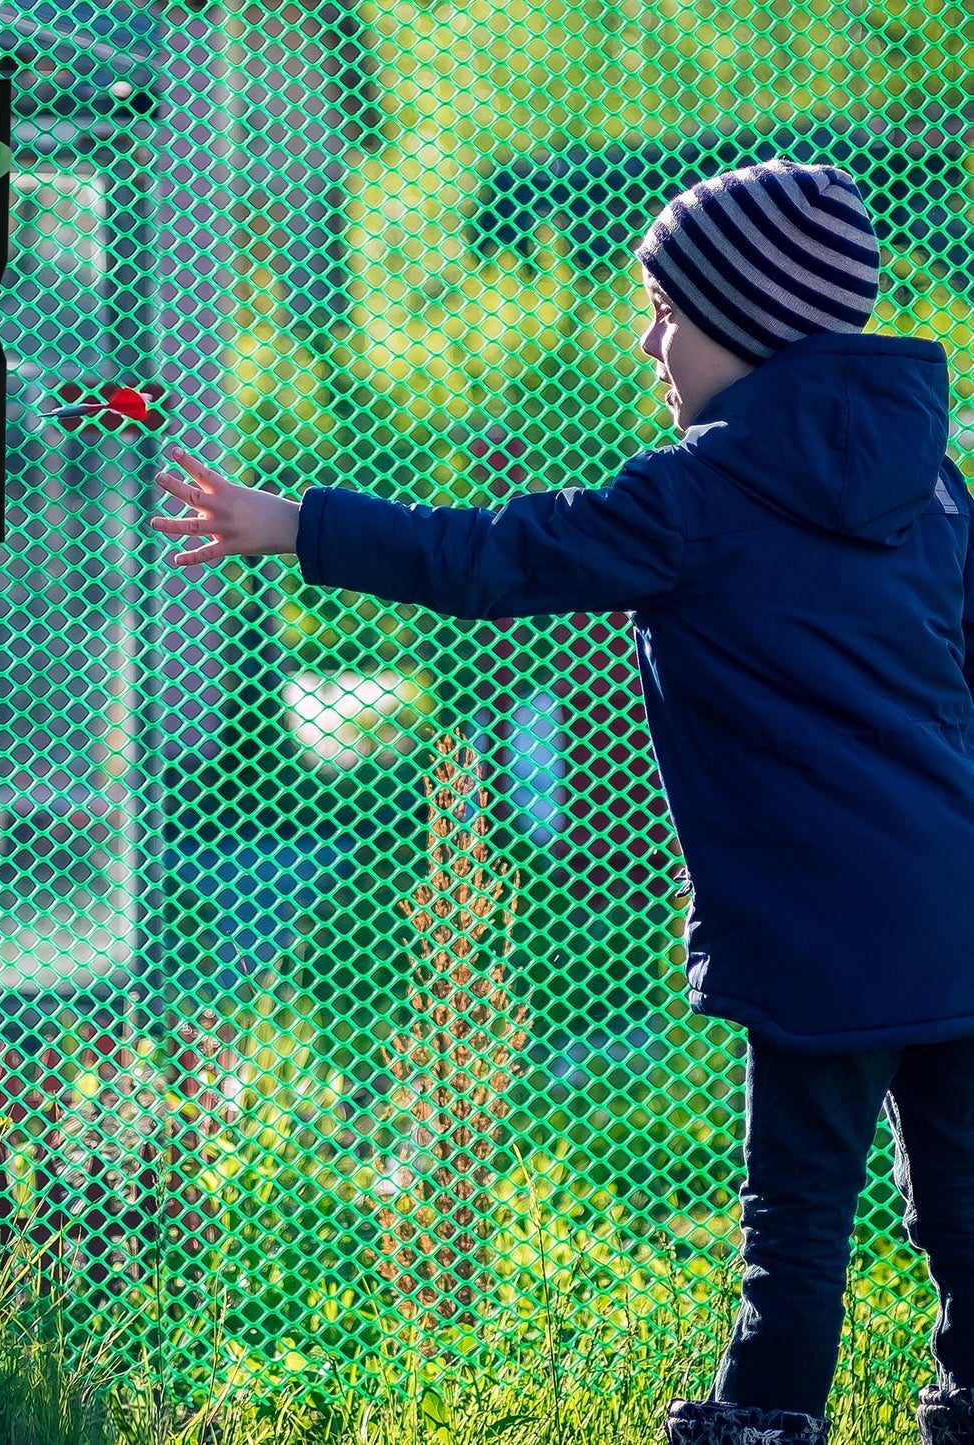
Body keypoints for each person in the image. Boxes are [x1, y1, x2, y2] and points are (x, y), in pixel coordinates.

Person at [150, 158, 974, 1445]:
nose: (650, 343)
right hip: (954, 903)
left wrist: (297, 523)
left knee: (798, 1216)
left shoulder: (696, 497)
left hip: (818, 931)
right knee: (965, 1202)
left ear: (748, 324)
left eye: (668, 313)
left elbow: (494, 556)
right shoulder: (934, 485)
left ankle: (762, 1421)